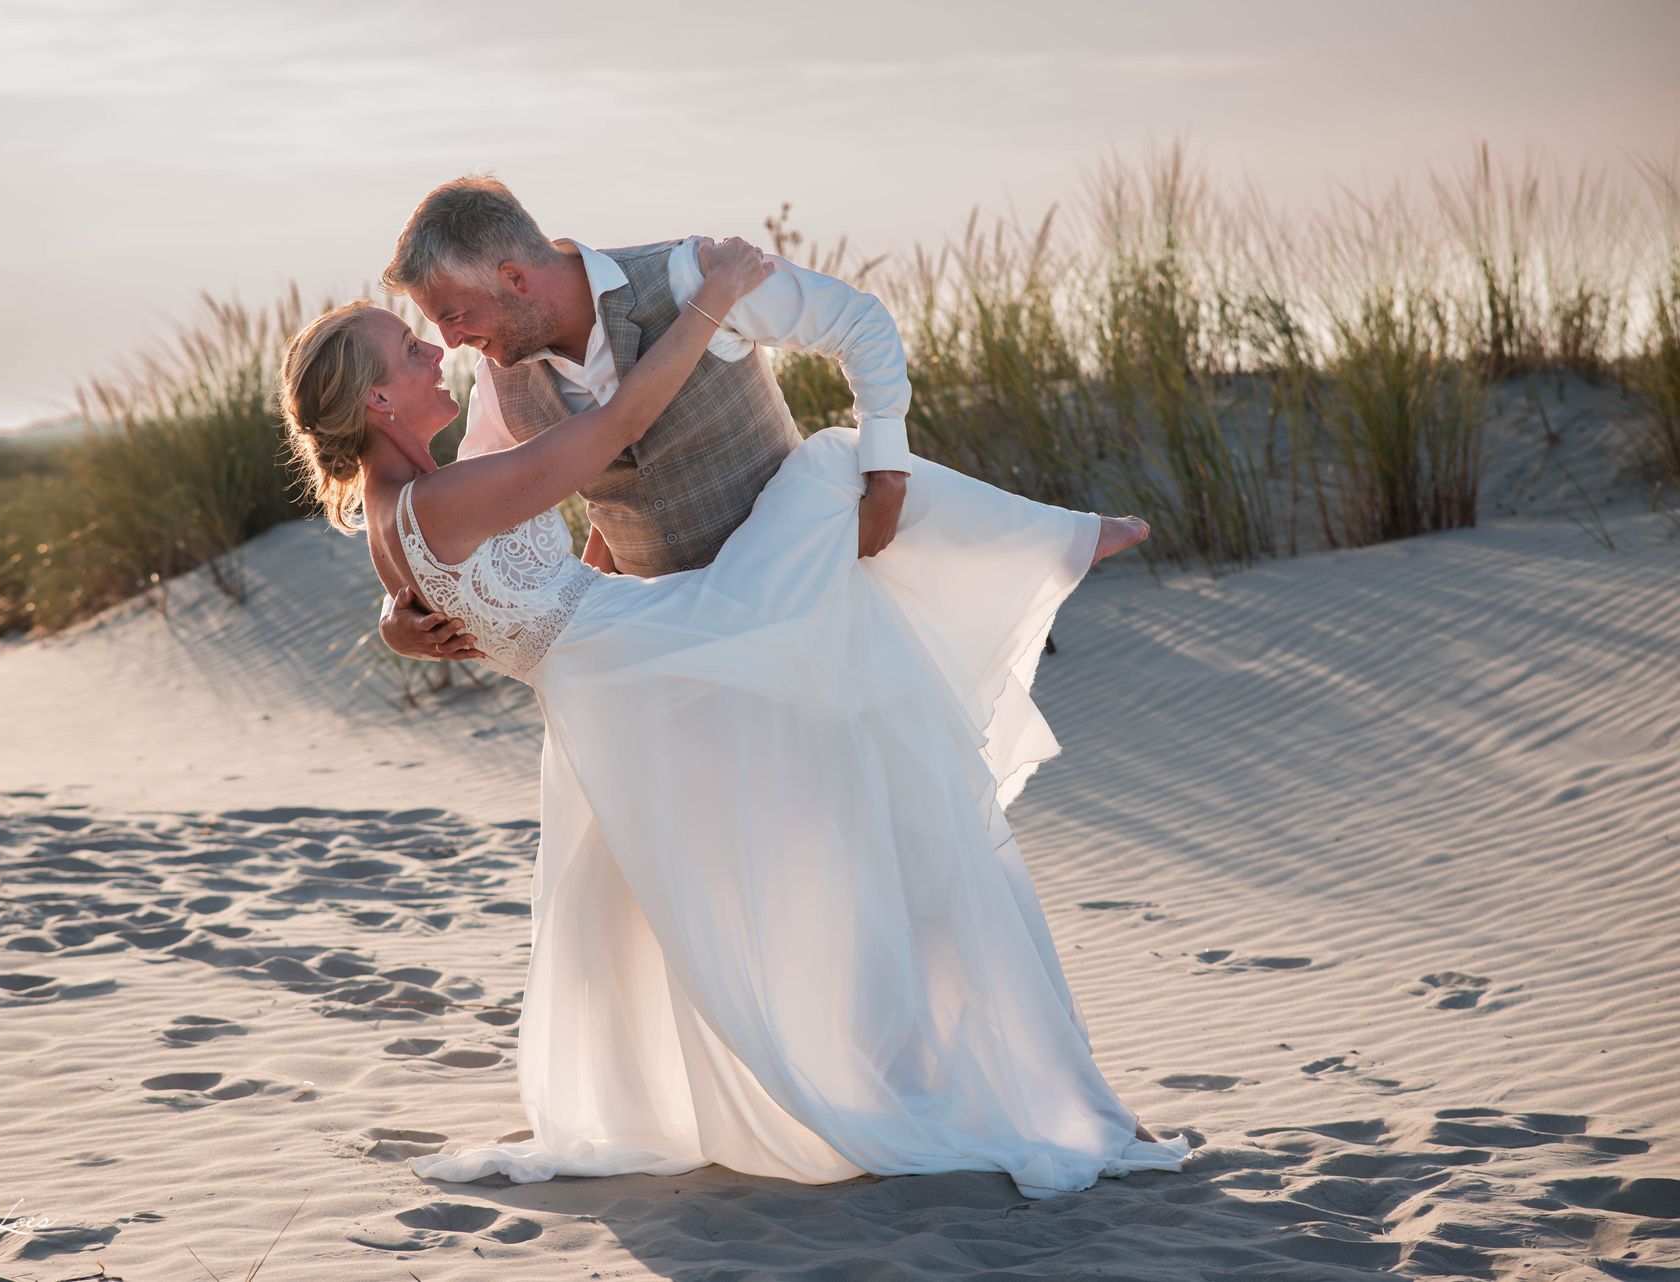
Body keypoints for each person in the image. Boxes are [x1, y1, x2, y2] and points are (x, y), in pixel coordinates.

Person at [278, 235, 1191, 1201]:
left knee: (731, 851)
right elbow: (617, 426)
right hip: (644, 654)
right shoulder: (447, 492)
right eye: (409, 350)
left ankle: (1046, 549)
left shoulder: (402, 508)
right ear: (377, 403)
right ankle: (1052, 542)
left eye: (435, 329)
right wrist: (713, 299)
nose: (437, 350)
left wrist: (397, 624)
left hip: (610, 677)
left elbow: (493, 579)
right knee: (834, 467)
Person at [375, 175, 915, 664]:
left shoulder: (691, 277)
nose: (448, 342)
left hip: (810, 599)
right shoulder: (499, 383)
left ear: (514, 278)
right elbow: (457, 522)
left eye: (454, 315)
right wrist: (397, 614)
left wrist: (887, 469)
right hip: (671, 655)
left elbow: (858, 323)